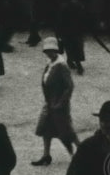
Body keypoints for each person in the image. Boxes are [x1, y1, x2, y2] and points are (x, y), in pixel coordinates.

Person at [32, 37, 78, 166]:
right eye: (46, 51)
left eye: (51, 51)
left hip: (58, 105)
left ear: (56, 50)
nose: (48, 53)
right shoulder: (51, 63)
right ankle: (46, 155)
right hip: (50, 103)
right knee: (46, 129)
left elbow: (69, 86)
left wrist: (60, 103)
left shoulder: (61, 66)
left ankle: (77, 154)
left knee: (66, 132)